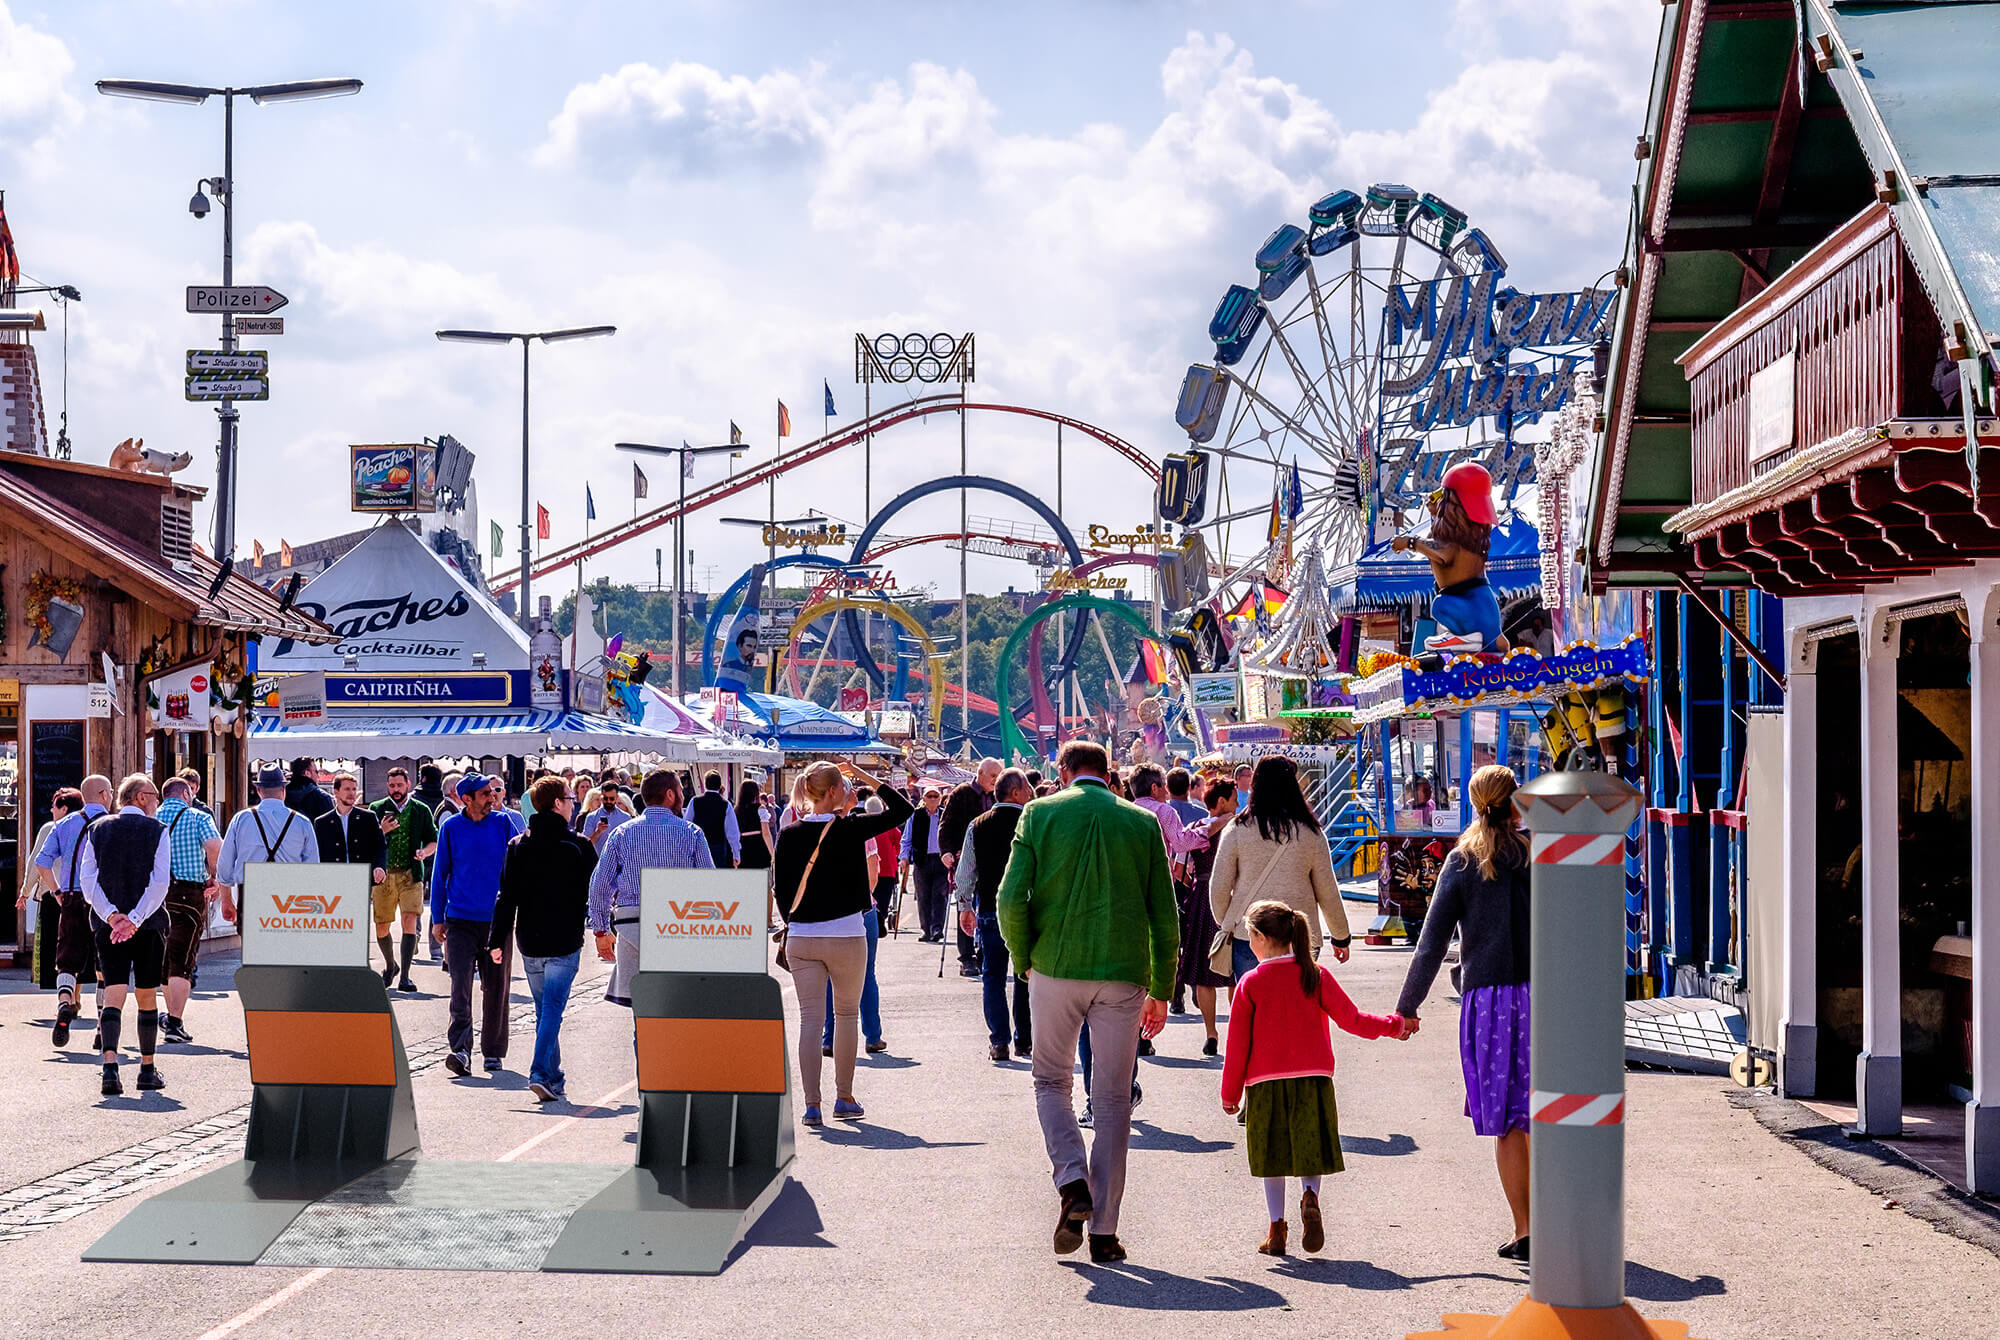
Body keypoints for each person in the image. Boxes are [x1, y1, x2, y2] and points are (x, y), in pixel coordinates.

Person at [997, 740, 1179, 1265]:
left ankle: (1072, 1178)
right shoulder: (1141, 824)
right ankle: (1104, 1231)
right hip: (1123, 976)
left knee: (1051, 1082)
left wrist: (1022, 957)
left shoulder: (1038, 813)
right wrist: (1163, 991)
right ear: (1109, 772)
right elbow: (1164, 919)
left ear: (1063, 771)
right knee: (1115, 1099)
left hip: (1054, 966)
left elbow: (1011, 898)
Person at [1395, 762, 1531, 1261]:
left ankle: (1525, 1229)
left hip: (1490, 1004)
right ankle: (1562, 1222)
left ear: (1475, 802)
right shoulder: (1539, 855)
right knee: (1546, 1114)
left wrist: (1407, 1007)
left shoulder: (1461, 861)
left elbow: (1430, 944)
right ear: (1517, 801)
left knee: (1510, 1122)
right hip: (1544, 1000)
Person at [1221, 900, 1405, 1256]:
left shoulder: (1250, 984)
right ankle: (1310, 1197)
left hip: (1264, 1084)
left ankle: (1276, 1229)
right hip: (1314, 1080)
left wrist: (1230, 1095)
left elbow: (1237, 1046)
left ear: (1259, 938)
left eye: (1249, 935)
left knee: (1271, 1158)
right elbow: (1353, 1020)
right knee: (1309, 1150)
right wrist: (1392, 1025)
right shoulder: (1315, 975)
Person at [773, 762, 911, 1126]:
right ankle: (844, 1097)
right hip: (847, 933)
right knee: (847, 1016)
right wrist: (865, 776)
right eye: (846, 785)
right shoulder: (852, 829)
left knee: (809, 1021)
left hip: (803, 937)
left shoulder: (788, 834)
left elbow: (782, 892)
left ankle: (811, 1104)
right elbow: (902, 809)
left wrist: (796, 921)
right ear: (833, 792)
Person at [490, 775, 598, 1102]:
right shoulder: (577, 846)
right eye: (569, 798)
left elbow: (506, 896)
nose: (573, 803)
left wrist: (497, 941)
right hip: (564, 939)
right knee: (551, 1010)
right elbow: (596, 886)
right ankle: (538, 1072)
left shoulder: (518, 846)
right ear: (557, 804)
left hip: (530, 940)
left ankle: (554, 1076)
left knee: (545, 1010)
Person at [1209, 756, 1351, 988]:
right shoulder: (1311, 834)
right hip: (1300, 937)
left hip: (1250, 934)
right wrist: (1341, 936)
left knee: (1253, 1010)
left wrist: (1228, 923)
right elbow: (1328, 891)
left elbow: (1219, 887)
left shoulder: (1237, 829)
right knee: (1294, 1010)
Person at [77, 774, 174, 1096]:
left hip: (108, 925)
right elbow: (160, 883)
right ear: (140, 797)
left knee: (113, 994)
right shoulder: (158, 831)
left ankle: (110, 1068)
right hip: (148, 925)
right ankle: (147, 1069)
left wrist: (112, 916)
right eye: (155, 795)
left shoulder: (97, 829)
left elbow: (88, 880)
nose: (158, 801)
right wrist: (134, 919)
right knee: (147, 996)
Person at [588, 769, 713, 1008]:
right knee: (678, 1004)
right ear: (669, 794)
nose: (683, 797)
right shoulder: (691, 833)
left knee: (642, 1007)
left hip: (632, 925)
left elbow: (600, 884)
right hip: (678, 924)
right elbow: (708, 885)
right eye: (680, 791)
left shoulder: (622, 833)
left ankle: (644, 1042)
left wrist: (601, 930)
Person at [429, 774, 515, 1076]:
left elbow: (518, 867)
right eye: (484, 793)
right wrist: (437, 919)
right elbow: (439, 875)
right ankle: (461, 1050)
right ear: (466, 798)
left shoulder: (503, 823)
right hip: (460, 921)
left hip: (496, 923)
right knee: (460, 986)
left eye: (492, 792)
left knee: (496, 988)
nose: (491, 797)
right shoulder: (451, 828)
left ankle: (493, 1052)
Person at [955, 767, 1034, 1063]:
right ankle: (1023, 1040)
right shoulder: (1030, 822)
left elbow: (966, 874)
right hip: (1026, 910)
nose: (1030, 794)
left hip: (989, 908)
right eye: (1026, 789)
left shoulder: (978, 824)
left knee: (993, 975)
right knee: (1025, 974)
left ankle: (999, 1040)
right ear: (1014, 793)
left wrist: (965, 907)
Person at [34, 776, 111, 1050]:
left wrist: (56, 891)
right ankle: (103, 1026)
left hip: (71, 897)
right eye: (110, 792)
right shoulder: (112, 825)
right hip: (104, 901)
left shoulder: (64, 824)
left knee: (67, 960)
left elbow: (42, 862)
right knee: (104, 966)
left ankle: (66, 1001)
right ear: (103, 795)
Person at [821, 792, 892, 1060]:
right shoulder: (862, 831)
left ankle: (829, 1038)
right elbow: (873, 875)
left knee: (830, 975)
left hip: (831, 912)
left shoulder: (818, 832)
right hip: (862, 910)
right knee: (866, 974)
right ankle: (873, 1036)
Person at [154, 777, 221, 1046]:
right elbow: (215, 847)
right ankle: (175, 1022)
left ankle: (171, 1017)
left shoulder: (152, 816)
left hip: (156, 894)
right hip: (189, 892)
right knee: (183, 961)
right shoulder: (197, 817)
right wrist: (214, 876)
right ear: (185, 793)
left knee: (165, 959)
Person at [1177, 779, 1238, 1056]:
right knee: (1235, 972)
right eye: (1235, 798)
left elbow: (1180, 869)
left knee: (1204, 972)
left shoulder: (1196, 829)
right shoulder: (1237, 827)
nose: (1238, 804)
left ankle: (1211, 1032)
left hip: (1202, 895)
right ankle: (1238, 1030)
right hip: (1234, 897)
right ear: (1223, 801)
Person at [215, 766, 319, 924]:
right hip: (290, 895)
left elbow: (225, 863)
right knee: (285, 946)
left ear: (258, 790)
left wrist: (226, 900)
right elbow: (312, 867)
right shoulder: (302, 822)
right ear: (284, 789)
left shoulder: (241, 819)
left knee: (252, 945)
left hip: (251, 892)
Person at [371, 766, 438, 991]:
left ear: (408, 785)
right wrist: (381, 831)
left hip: (411, 873)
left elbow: (433, 840)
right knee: (382, 925)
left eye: (400, 785)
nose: (396, 790)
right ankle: (391, 965)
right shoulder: (377, 809)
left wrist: (425, 853)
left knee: (409, 919)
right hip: (384, 875)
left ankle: (405, 977)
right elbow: (367, 843)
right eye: (392, 786)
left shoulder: (420, 810)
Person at [314, 771, 389, 972]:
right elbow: (316, 854)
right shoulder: (321, 822)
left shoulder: (368, 818)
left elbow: (379, 847)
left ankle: (357, 968)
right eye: (347, 789)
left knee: (356, 926)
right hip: (333, 882)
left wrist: (380, 867)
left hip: (359, 880)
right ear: (336, 792)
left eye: (354, 789)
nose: (351, 793)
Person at [939, 759, 1000, 978]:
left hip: (990, 859)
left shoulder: (997, 794)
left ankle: (984, 952)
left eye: (998, 776)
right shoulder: (961, 793)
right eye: (993, 776)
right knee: (965, 905)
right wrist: (946, 850)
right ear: (980, 773)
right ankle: (966, 957)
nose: (996, 780)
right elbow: (945, 825)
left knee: (987, 906)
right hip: (963, 857)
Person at [900, 785, 949, 943]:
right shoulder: (915, 815)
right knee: (923, 896)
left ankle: (937, 928)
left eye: (936, 796)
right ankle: (926, 930)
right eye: (930, 796)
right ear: (924, 799)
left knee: (940, 895)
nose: (933, 799)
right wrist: (904, 857)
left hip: (941, 860)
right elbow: (906, 839)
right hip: (922, 860)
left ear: (940, 799)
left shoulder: (945, 816)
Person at [688, 771, 742, 868]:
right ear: (720, 785)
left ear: (705, 784)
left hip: (697, 846)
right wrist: (736, 853)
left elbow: (686, 824)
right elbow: (732, 833)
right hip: (718, 846)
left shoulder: (694, 801)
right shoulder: (726, 804)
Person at [866, 794, 899, 930]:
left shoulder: (864, 825)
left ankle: (876, 918)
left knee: (872, 898)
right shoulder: (889, 825)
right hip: (887, 869)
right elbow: (898, 844)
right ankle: (881, 917)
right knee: (884, 898)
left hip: (869, 869)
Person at [582, 783, 636, 850]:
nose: (608, 801)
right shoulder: (591, 817)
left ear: (617, 797)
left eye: (612, 799)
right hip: (597, 859)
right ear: (601, 797)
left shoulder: (626, 818)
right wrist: (598, 831)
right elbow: (585, 845)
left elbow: (631, 844)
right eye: (605, 798)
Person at [736, 779, 773, 874]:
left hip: (743, 847)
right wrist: (772, 853)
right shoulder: (760, 808)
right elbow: (766, 833)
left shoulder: (737, 810)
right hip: (758, 846)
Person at [285, 756, 334, 822]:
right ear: (307, 773)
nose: (318, 776)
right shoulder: (323, 797)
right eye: (316, 772)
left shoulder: (282, 796)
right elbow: (332, 827)